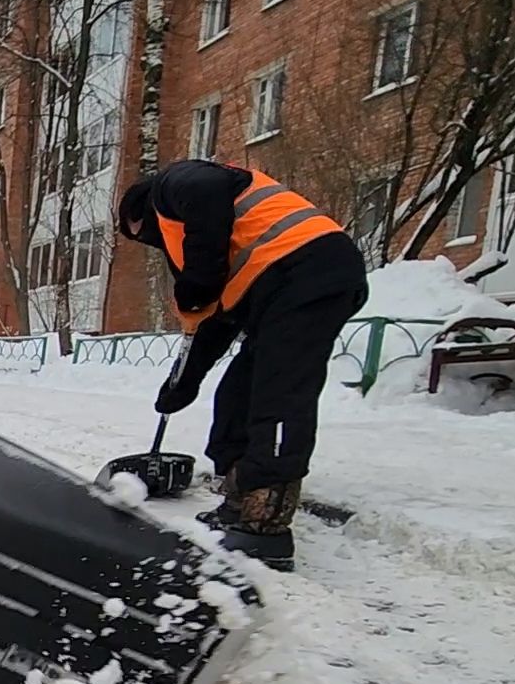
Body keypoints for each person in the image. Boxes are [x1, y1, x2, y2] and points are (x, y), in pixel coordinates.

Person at [117, 159, 368, 571]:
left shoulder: (177, 184)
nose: (154, 245)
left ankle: (266, 522)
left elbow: (207, 192)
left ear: (141, 212)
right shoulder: (233, 250)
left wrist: (196, 280)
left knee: (279, 391)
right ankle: (239, 496)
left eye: (144, 235)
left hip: (311, 268)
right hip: (280, 282)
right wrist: (183, 383)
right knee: (237, 392)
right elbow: (213, 326)